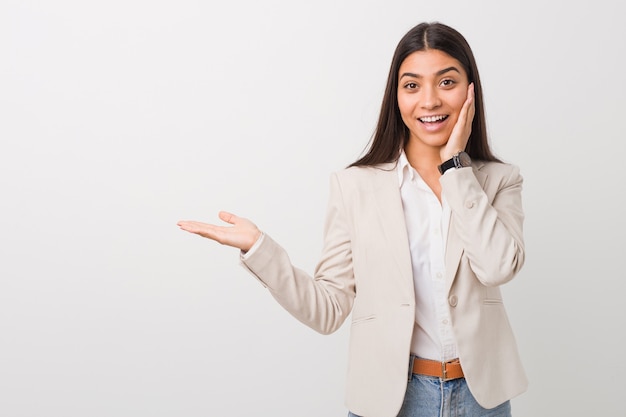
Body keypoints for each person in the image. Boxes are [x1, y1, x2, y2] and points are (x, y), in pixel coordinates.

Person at [177, 21, 527, 417]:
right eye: (412, 85)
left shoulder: (499, 180)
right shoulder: (354, 187)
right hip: (391, 401)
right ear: (396, 97)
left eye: (446, 82)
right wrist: (260, 250)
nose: (429, 101)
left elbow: (498, 267)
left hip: (481, 400)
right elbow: (327, 310)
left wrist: (456, 167)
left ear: (470, 91)